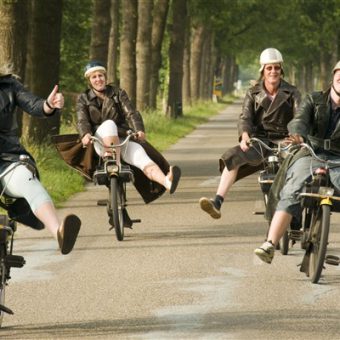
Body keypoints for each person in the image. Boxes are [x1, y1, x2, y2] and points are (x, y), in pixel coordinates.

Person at [199, 48, 301, 219]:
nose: (273, 72)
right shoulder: (252, 93)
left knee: (301, 167)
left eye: (276, 68)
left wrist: (296, 135)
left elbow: (299, 117)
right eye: (269, 68)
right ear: (263, 70)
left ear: (281, 70)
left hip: (285, 140)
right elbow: (245, 117)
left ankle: (297, 216)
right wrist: (245, 135)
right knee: (232, 157)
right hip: (259, 141)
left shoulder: (292, 92)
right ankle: (217, 202)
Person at [255, 60, 340, 264]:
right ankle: (270, 244)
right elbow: (299, 119)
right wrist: (299, 134)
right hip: (311, 152)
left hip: (338, 159)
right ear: (334, 76)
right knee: (292, 188)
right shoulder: (315, 98)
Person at [75, 61, 181, 222]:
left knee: (142, 157)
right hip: (99, 142)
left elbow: (131, 112)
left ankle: (167, 182)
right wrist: (85, 134)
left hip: (122, 139)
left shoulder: (118, 93)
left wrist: (139, 129)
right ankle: (115, 166)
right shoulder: (83, 98)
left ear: (105, 77)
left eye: (101, 76)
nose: (98, 79)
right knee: (109, 124)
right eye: (94, 77)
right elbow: (82, 120)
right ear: (89, 80)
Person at [0, 65, 81, 255]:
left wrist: (49, 105)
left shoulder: (9, 85)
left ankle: (58, 232)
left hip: (7, 159)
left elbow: (34, 105)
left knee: (27, 180)